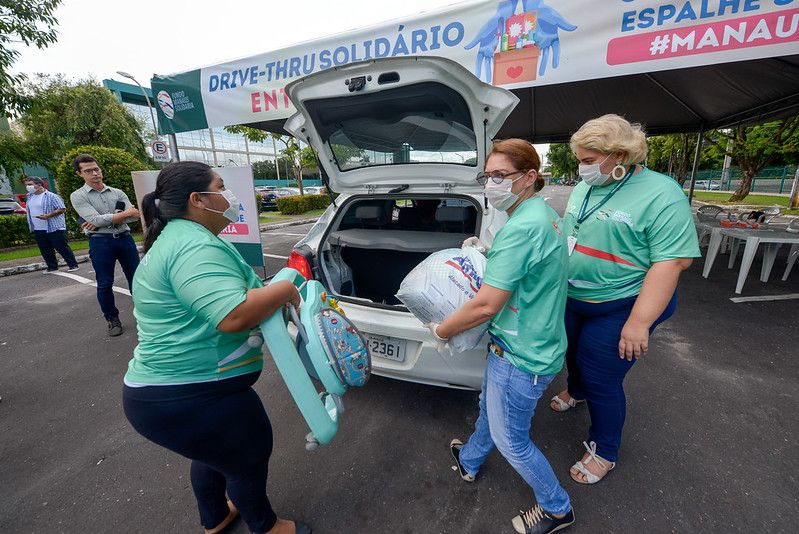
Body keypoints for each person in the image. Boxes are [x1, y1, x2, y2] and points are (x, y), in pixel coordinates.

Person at [122, 161, 311, 534]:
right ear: (197, 199)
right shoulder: (192, 246)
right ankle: (265, 526)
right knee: (246, 456)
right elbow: (234, 315)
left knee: (212, 453)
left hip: (172, 393)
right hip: (189, 393)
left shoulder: (179, 239)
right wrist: (285, 289)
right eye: (221, 187)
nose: (230, 196)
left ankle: (216, 517)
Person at [431, 139, 574, 534]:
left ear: (529, 177)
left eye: (500, 176)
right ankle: (471, 460)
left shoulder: (522, 226)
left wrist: (441, 329)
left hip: (521, 354)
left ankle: (557, 507)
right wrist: (487, 253)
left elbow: (484, 306)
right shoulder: (540, 214)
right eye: (487, 175)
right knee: (490, 413)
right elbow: (526, 268)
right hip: (529, 340)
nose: (491, 184)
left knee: (512, 439)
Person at [551, 114, 700, 485]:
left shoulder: (662, 193)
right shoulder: (588, 186)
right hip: (576, 294)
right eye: (580, 160)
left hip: (624, 303)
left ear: (619, 155)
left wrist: (638, 322)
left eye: (588, 160)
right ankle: (577, 390)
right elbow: (575, 230)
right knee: (570, 351)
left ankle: (605, 450)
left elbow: (672, 261)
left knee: (601, 373)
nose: (582, 168)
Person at [69, 154, 141, 337]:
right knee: (105, 283)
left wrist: (104, 220)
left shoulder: (117, 192)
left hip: (125, 239)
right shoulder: (78, 196)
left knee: (137, 280)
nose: (94, 173)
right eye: (88, 171)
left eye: (96, 169)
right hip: (101, 242)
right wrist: (120, 215)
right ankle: (112, 319)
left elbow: (134, 216)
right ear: (80, 174)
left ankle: (143, 315)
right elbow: (94, 220)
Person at [24, 177, 79, 272]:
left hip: (53, 227)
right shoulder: (30, 196)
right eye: (27, 185)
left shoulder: (51, 196)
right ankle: (52, 267)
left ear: (39, 184)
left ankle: (73, 265)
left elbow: (62, 209)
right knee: (45, 249)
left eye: (30, 184)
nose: (28, 187)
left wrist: (48, 215)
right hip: (38, 228)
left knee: (61, 247)